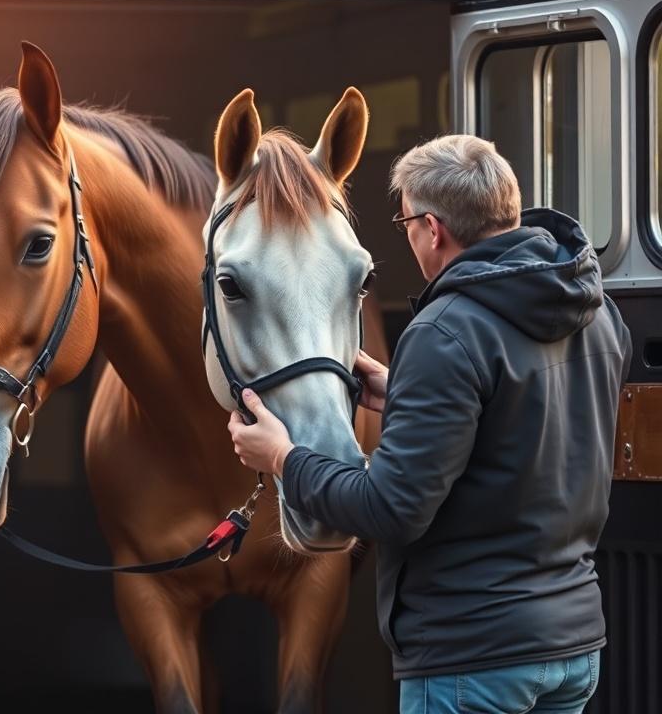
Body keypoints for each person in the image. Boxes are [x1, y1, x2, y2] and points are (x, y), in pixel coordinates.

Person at [229, 134, 632, 714]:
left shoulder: (445, 332)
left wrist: (283, 458)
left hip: (473, 657)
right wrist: (408, 396)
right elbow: (535, 427)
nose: (408, 234)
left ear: (433, 227)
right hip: (571, 646)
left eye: (404, 222)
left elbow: (390, 508)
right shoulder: (595, 312)